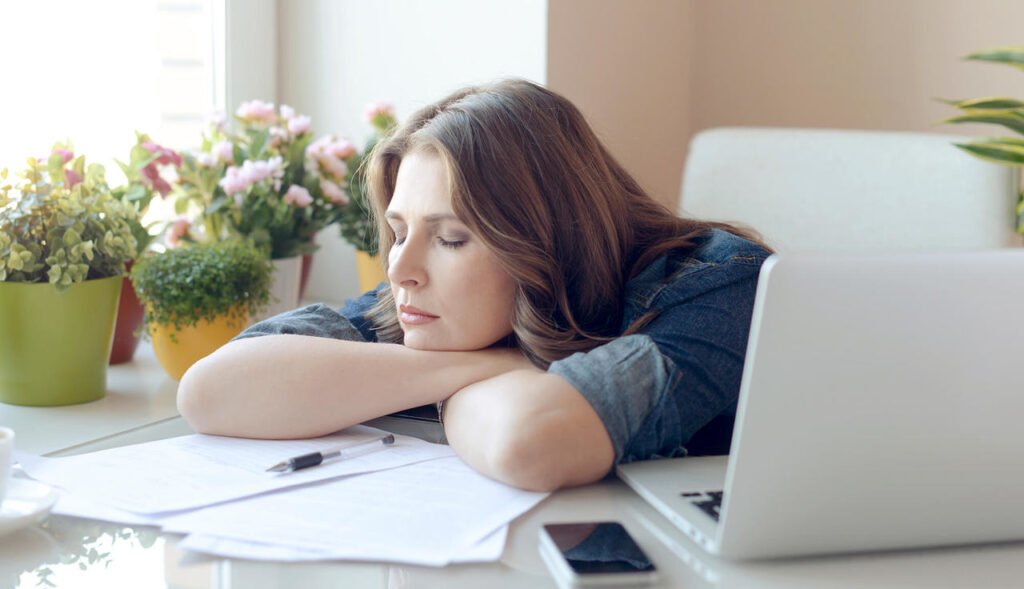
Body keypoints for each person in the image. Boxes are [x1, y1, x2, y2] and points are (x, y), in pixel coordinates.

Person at [177, 79, 772, 492]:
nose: (401, 269)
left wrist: (457, 375)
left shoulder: (720, 282)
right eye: (398, 230)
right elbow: (210, 390)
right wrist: (491, 365)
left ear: (548, 239)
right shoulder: (428, 306)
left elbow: (531, 442)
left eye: (452, 239)